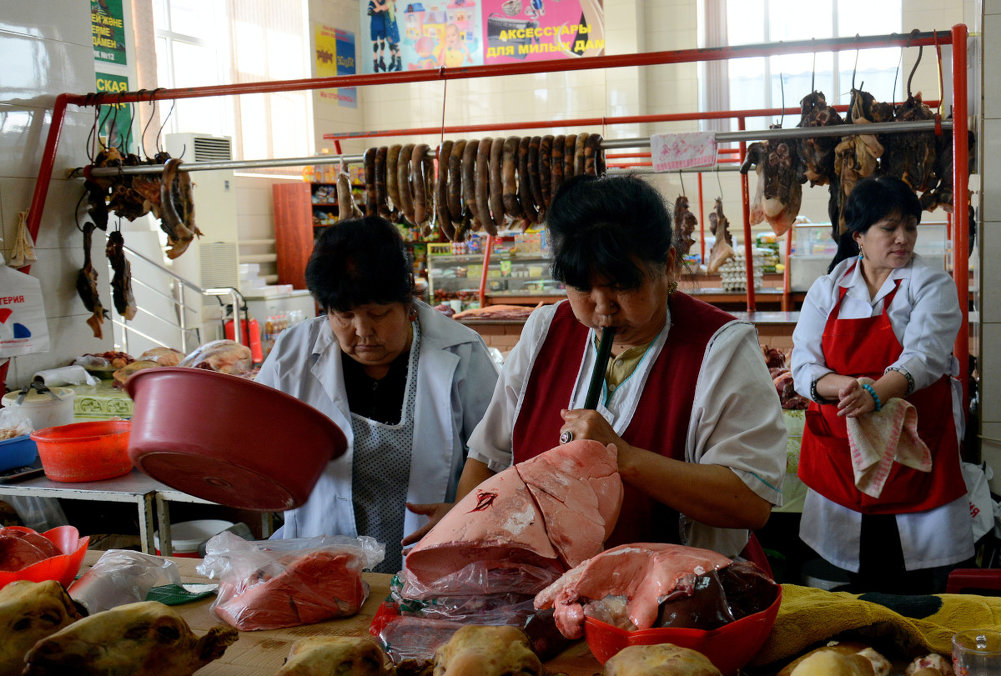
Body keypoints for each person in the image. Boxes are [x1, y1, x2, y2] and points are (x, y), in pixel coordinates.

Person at [406, 174, 787, 557]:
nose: (602, 307)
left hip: (678, 598)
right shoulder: (545, 330)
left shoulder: (721, 347)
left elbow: (749, 500)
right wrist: (466, 523)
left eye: (623, 285)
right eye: (582, 287)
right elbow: (488, 457)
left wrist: (626, 457)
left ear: (668, 266)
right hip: (544, 589)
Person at [256, 216, 499, 573]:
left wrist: (468, 508)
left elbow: (499, 456)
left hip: (434, 559)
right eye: (345, 315)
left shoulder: (462, 353)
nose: (363, 331)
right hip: (319, 556)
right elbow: (258, 440)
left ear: (408, 303)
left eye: (378, 314)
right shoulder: (293, 352)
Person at [791, 175, 973, 594]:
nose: (903, 238)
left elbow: (924, 357)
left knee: (919, 581)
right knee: (849, 583)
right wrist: (843, 388)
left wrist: (875, 392)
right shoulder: (828, 288)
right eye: (889, 228)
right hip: (841, 448)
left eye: (910, 226)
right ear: (859, 235)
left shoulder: (931, 285)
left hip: (914, 449)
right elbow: (803, 364)